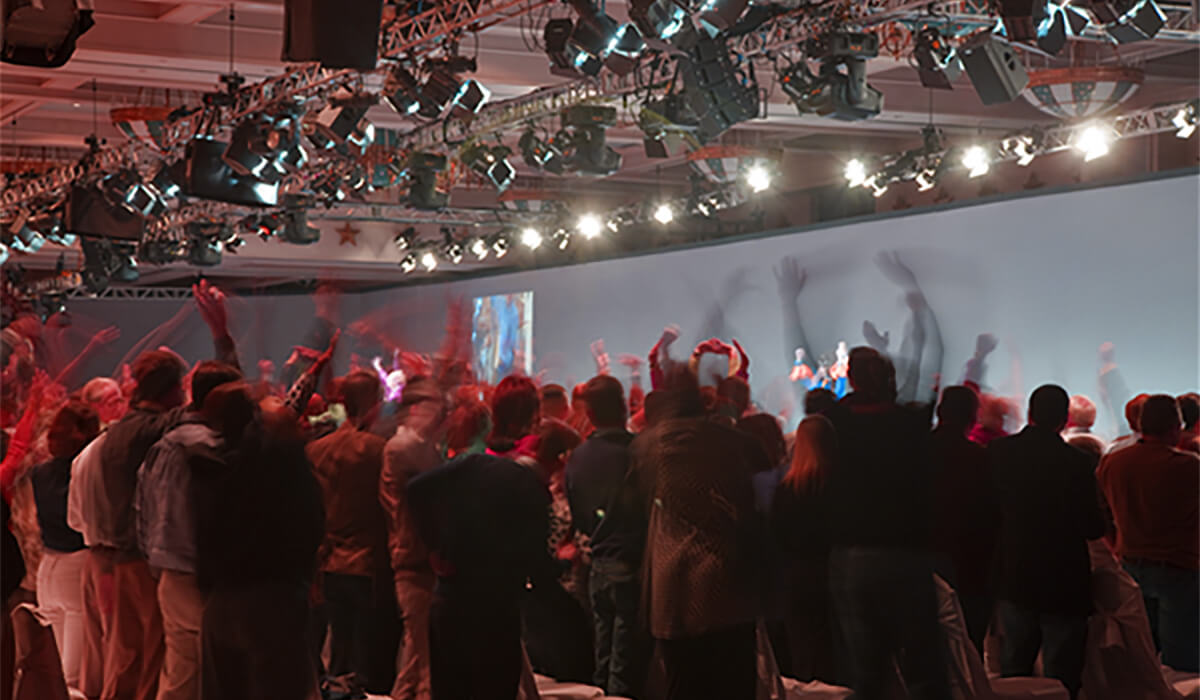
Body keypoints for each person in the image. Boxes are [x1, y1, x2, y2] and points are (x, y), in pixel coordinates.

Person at [407, 375, 557, 700]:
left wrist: (433, 546)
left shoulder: (471, 463)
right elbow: (537, 554)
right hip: (495, 606)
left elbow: (415, 489)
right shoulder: (526, 483)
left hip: (450, 597)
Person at [629, 367, 768, 700]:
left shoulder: (646, 447)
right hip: (727, 581)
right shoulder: (732, 443)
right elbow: (757, 504)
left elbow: (633, 508)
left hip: (672, 585)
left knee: (682, 683)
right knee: (733, 681)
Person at [823, 347, 949, 700]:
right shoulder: (910, 424)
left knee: (866, 671)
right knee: (924, 666)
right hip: (908, 548)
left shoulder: (836, 423)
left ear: (851, 378)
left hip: (854, 549)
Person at [193, 383, 325, 700]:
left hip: (221, 600)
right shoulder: (293, 474)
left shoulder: (215, 468)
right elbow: (308, 532)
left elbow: (203, 534)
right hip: (275, 599)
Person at [989, 384, 1106, 699]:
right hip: (1064, 578)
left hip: (1015, 570)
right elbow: (1092, 526)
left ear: (1029, 413)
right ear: (1064, 419)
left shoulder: (999, 453)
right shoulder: (1078, 463)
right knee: (1062, 673)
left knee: (1014, 668)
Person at [135, 360, 242, 700]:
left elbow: (142, 507)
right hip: (202, 576)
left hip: (169, 571)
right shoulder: (213, 448)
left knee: (181, 670)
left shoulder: (164, 445)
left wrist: (154, 560)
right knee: (212, 673)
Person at [307, 370, 396, 693]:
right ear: (375, 404)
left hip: (327, 561)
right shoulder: (379, 450)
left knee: (338, 653)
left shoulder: (316, 449)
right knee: (366, 661)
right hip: (368, 562)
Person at [1096, 394, 1199, 672]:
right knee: (1182, 660)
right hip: (1179, 567)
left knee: (1140, 654)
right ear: (1176, 427)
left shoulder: (1113, 463)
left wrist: (1116, 545)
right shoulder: (1189, 466)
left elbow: (1100, 514)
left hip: (1130, 563)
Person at [564, 375, 648, 697]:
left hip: (597, 563)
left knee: (603, 654)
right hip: (633, 562)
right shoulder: (637, 451)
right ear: (624, 406)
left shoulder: (579, 456)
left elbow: (579, 515)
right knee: (627, 661)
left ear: (590, 413)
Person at [379, 377, 448, 700]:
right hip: (414, 555)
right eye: (434, 405)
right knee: (421, 652)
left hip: (418, 555)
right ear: (417, 408)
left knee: (418, 651)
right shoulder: (404, 448)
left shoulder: (419, 446)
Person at [31, 400, 99, 690]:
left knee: (53, 669)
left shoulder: (39, 473)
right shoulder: (84, 472)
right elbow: (80, 521)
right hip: (76, 564)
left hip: (47, 568)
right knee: (73, 674)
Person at [929, 386, 998, 654]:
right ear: (973, 417)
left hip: (920, 557)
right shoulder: (981, 459)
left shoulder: (911, 454)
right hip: (970, 561)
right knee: (969, 646)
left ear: (939, 412)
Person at [770, 415, 838, 683]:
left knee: (803, 648)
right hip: (834, 571)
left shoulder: (786, 490)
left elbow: (777, 536)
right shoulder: (838, 486)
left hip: (796, 576)